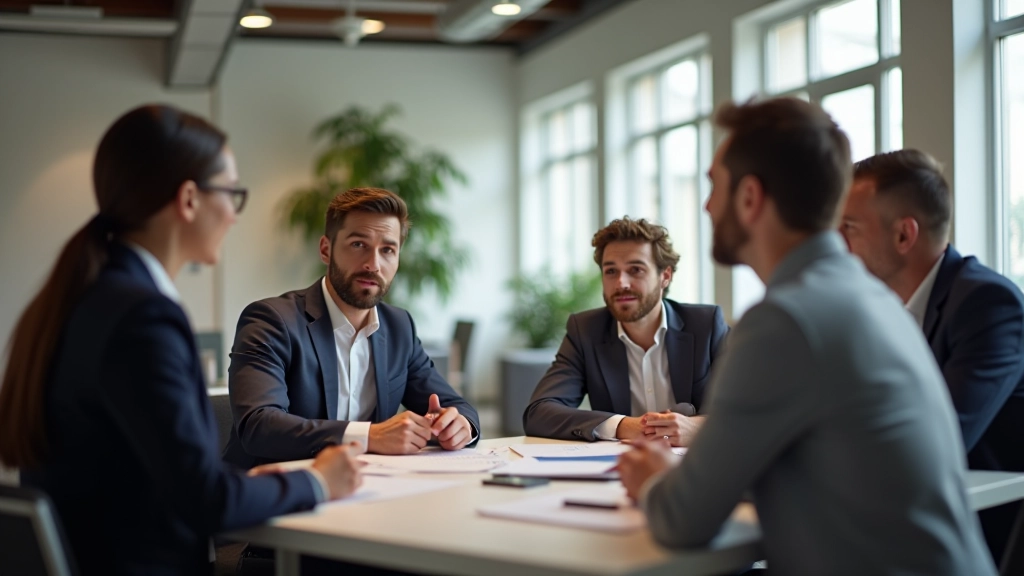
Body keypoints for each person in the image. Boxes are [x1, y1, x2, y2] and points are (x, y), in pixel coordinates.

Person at [615, 97, 995, 575]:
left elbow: (683, 519)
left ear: (750, 197)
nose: (708, 205)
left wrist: (652, 481)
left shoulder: (785, 321)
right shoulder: (869, 297)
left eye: (714, 186)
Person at [0, 105, 362, 576]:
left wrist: (254, 482)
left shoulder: (87, 294)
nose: (234, 214)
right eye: (232, 193)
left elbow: (159, 475)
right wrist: (317, 481)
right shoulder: (143, 317)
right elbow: (204, 501)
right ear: (189, 200)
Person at [840, 148, 1024, 563]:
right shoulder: (880, 309)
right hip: (904, 518)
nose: (838, 244)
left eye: (849, 227)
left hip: (982, 536)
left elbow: (936, 442)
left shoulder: (987, 304)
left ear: (904, 235)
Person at [223, 187, 480, 469]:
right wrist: (370, 436)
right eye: (358, 245)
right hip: (271, 493)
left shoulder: (399, 327)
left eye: (388, 250)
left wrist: (460, 425)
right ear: (326, 249)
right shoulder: (271, 320)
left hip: (367, 489)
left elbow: (457, 406)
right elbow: (259, 426)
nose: (373, 264)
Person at [523, 217, 728, 446]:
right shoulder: (586, 331)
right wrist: (623, 426)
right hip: (620, 470)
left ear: (665, 276)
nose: (621, 283)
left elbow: (745, 408)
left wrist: (697, 428)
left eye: (635, 270)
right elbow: (539, 413)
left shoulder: (706, 326)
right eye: (611, 271)